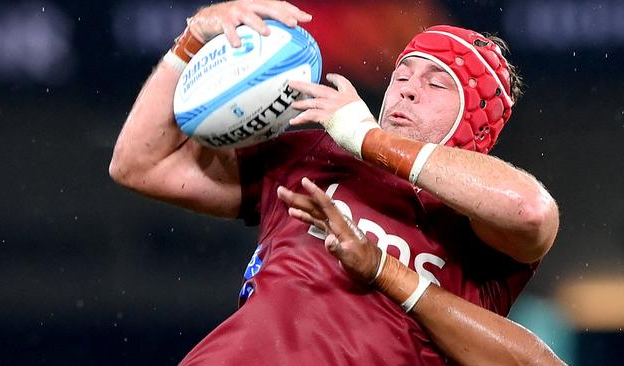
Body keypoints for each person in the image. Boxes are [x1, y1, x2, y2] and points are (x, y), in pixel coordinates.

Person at [109, 0, 562, 364]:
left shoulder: (480, 228)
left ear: (475, 123)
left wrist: (369, 138)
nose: (404, 88)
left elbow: (529, 209)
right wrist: (190, 42)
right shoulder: (315, 152)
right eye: (402, 73)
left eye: (435, 83)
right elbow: (138, 166)